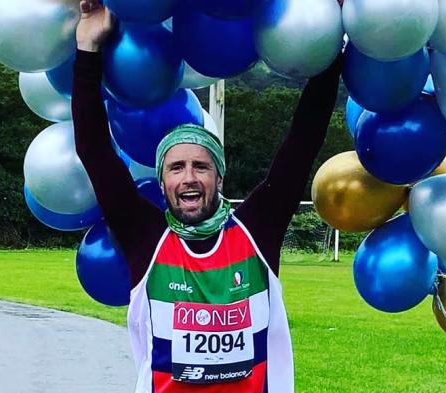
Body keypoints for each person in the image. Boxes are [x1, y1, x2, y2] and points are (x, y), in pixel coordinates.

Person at [72, 2, 341, 391]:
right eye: (176, 168)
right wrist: (87, 47)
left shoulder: (256, 232)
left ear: (219, 175)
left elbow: (302, 141)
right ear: (162, 182)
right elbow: (95, 150)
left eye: (201, 166)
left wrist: (330, 41)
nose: (189, 178)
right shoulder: (145, 237)